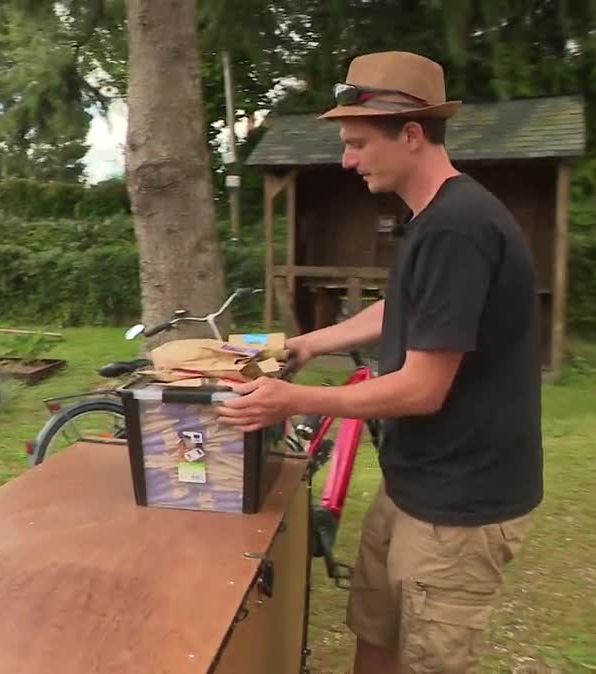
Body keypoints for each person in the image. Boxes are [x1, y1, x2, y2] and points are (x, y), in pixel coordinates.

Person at [217, 51, 543, 673]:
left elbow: (421, 389)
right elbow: (404, 307)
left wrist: (294, 400)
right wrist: (308, 344)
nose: (346, 160)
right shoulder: (433, 218)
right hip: (414, 483)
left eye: (358, 143)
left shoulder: (458, 227)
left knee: (426, 660)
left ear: (412, 135)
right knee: (376, 634)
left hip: (460, 502)